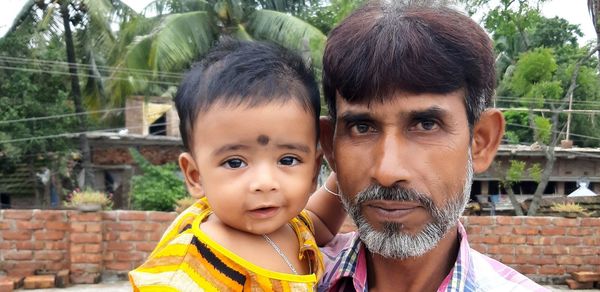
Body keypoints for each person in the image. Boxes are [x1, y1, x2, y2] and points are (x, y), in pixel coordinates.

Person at [317, 1, 548, 291]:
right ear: (330, 148)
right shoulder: (278, 278)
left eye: (426, 124)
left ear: (481, 142)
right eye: (362, 127)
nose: (387, 172)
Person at [129, 39, 344, 291]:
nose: (264, 183)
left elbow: (322, 221)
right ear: (195, 176)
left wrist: (347, 171)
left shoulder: (293, 227)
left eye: (288, 160)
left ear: (313, 171)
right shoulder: (186, 273)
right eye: (235, 162)